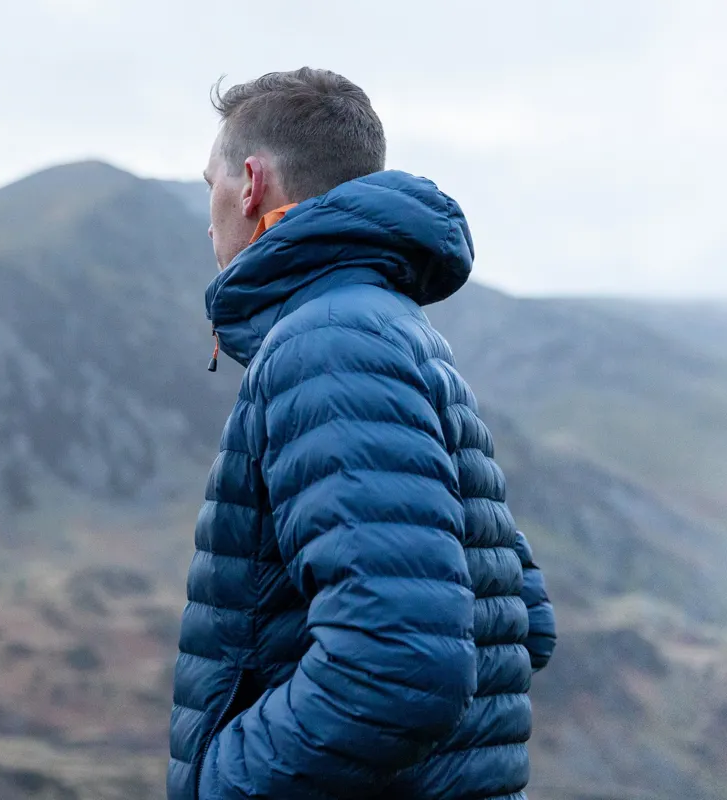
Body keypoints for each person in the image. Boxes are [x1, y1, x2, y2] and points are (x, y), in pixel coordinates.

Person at [168, 67, 556, 800]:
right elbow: (519, 618)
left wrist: (221, 781)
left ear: (250, 185)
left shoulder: (330, 343)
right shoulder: (393, 329)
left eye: (210, 186)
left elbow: (402, 665)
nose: (208, 220)